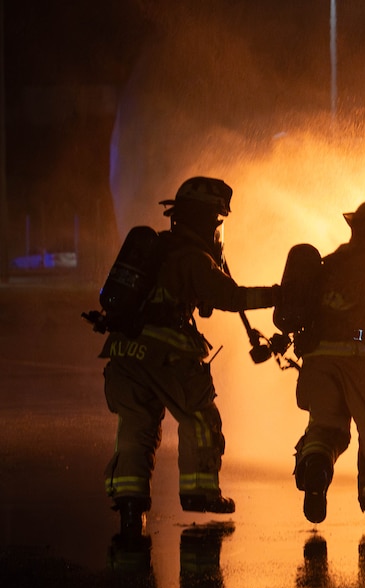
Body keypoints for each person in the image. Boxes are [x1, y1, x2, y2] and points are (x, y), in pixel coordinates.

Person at [100, 176, 280, 537]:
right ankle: (200, 491)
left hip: (124, 352)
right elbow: (231, 298)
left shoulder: (158, 250)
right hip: (167, 355)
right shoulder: (193, 258)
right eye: (217, 221)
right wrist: (278, 295)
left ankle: (130, 504)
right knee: (200, 418)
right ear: (206, 220)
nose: (218, 229)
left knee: (137, 425)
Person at [292, 198, 365, 533]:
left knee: (325, 427)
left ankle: (315, 465)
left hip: (318, 361)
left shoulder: (328, 265)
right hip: (363, 360)